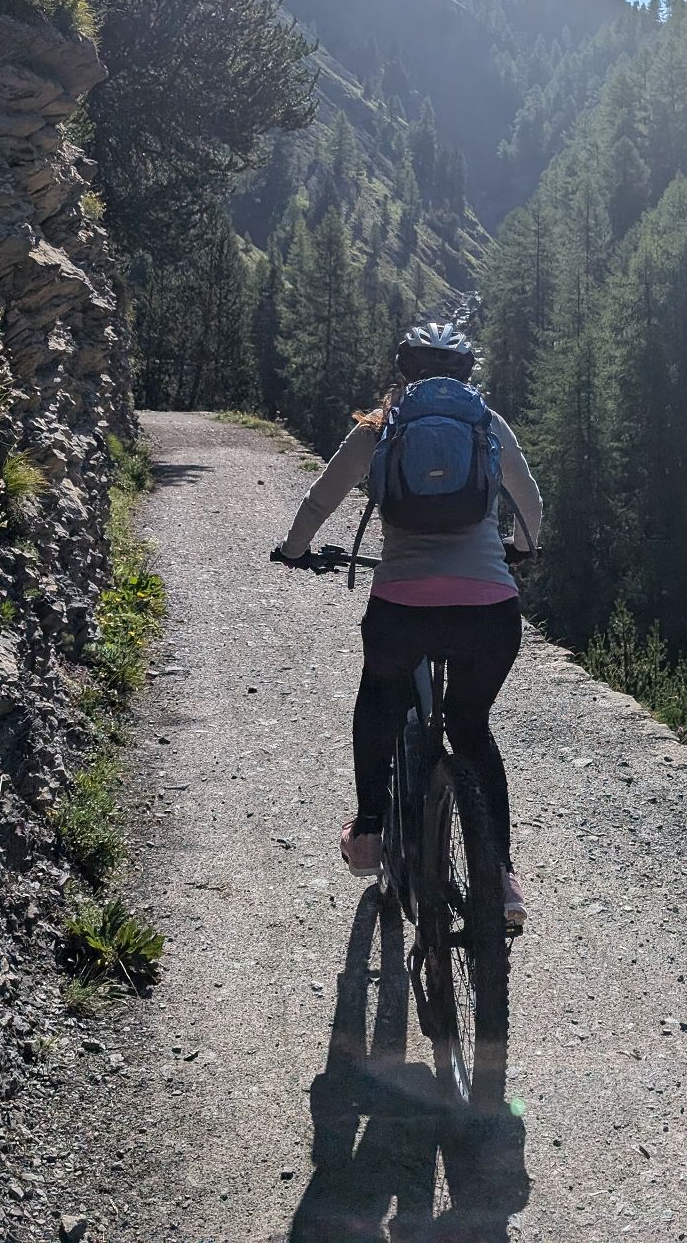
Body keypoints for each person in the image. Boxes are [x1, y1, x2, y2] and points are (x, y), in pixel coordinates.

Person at [275, 322, 543, 927]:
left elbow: (322, 498)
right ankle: (500, 880)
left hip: (404, 607)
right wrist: (522, 550)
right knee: (473, 728)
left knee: (381, 698)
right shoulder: (487, 426)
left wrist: (295, 550)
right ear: (466, 374)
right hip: (489, 610)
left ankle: (369, 834)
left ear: (405, 373)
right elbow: (531, 503)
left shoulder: (383, 426)